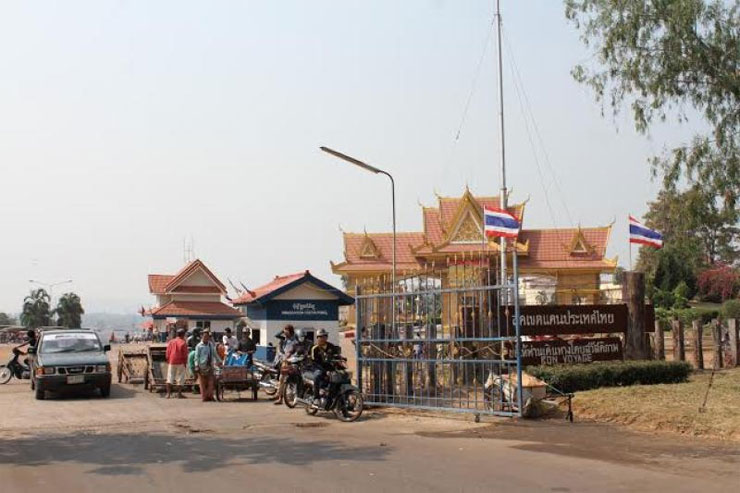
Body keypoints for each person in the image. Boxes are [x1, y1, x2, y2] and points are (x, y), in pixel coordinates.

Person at [309, 328, 340, 409]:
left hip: (329, 368)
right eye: (321, 336)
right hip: (317, 367)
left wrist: (341, 359)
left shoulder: (331, 346)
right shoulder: (315, 348)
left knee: (339, 377)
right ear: (317, 338)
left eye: (325, 336)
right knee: (317, 376)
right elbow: (314, 362)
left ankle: (332, 398)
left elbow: (336, 356)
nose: (323, 338)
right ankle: (316, 398)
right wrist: (325, 371)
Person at [193, 330, 221, 402]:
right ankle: (204, 397)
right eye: (204, 336)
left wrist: (219, 361)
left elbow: (215, 354)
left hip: (210, 365)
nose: (206, 338)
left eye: (207, 336)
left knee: (211, 382)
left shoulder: (210, 344)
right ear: (202, 337)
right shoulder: (199, 346)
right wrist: (196, 365)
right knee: (202, 383)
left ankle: (210, 396)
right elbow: (196, 357)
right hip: (202, 366)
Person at [273, 324, 298, 405]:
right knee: (281, 379)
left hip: (293, 361)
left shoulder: (295, 340)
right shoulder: (284, 339)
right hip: (285, 361)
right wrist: (282, 331)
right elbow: (276, 335)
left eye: (286, 330)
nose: (285, 332)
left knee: (293, 379)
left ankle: (295, 397)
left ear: (290, 331)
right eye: (284, 330)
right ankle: (280, 398)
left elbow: (296, 350)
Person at [165, 328, 189, 399]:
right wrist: (185, 362)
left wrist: (168, 360)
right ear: (183, 335)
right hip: (180, 362)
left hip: (172, 361)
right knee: (180, 378)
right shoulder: (183, 342)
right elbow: (185, 354)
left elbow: (168, 352)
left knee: (170, 377)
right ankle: (179, 394)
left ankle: (168, 394)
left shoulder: (171, 341)